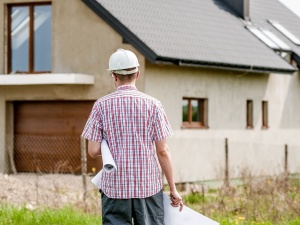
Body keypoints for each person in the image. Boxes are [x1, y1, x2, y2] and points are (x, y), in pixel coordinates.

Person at [82, 48, 183, 225]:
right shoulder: (153, 105)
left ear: (113, 76)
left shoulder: (101, 106)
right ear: (137, 74)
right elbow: (163, 152)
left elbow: (93, 150)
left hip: (114, 189)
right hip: (148, 187)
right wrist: (173, 189)